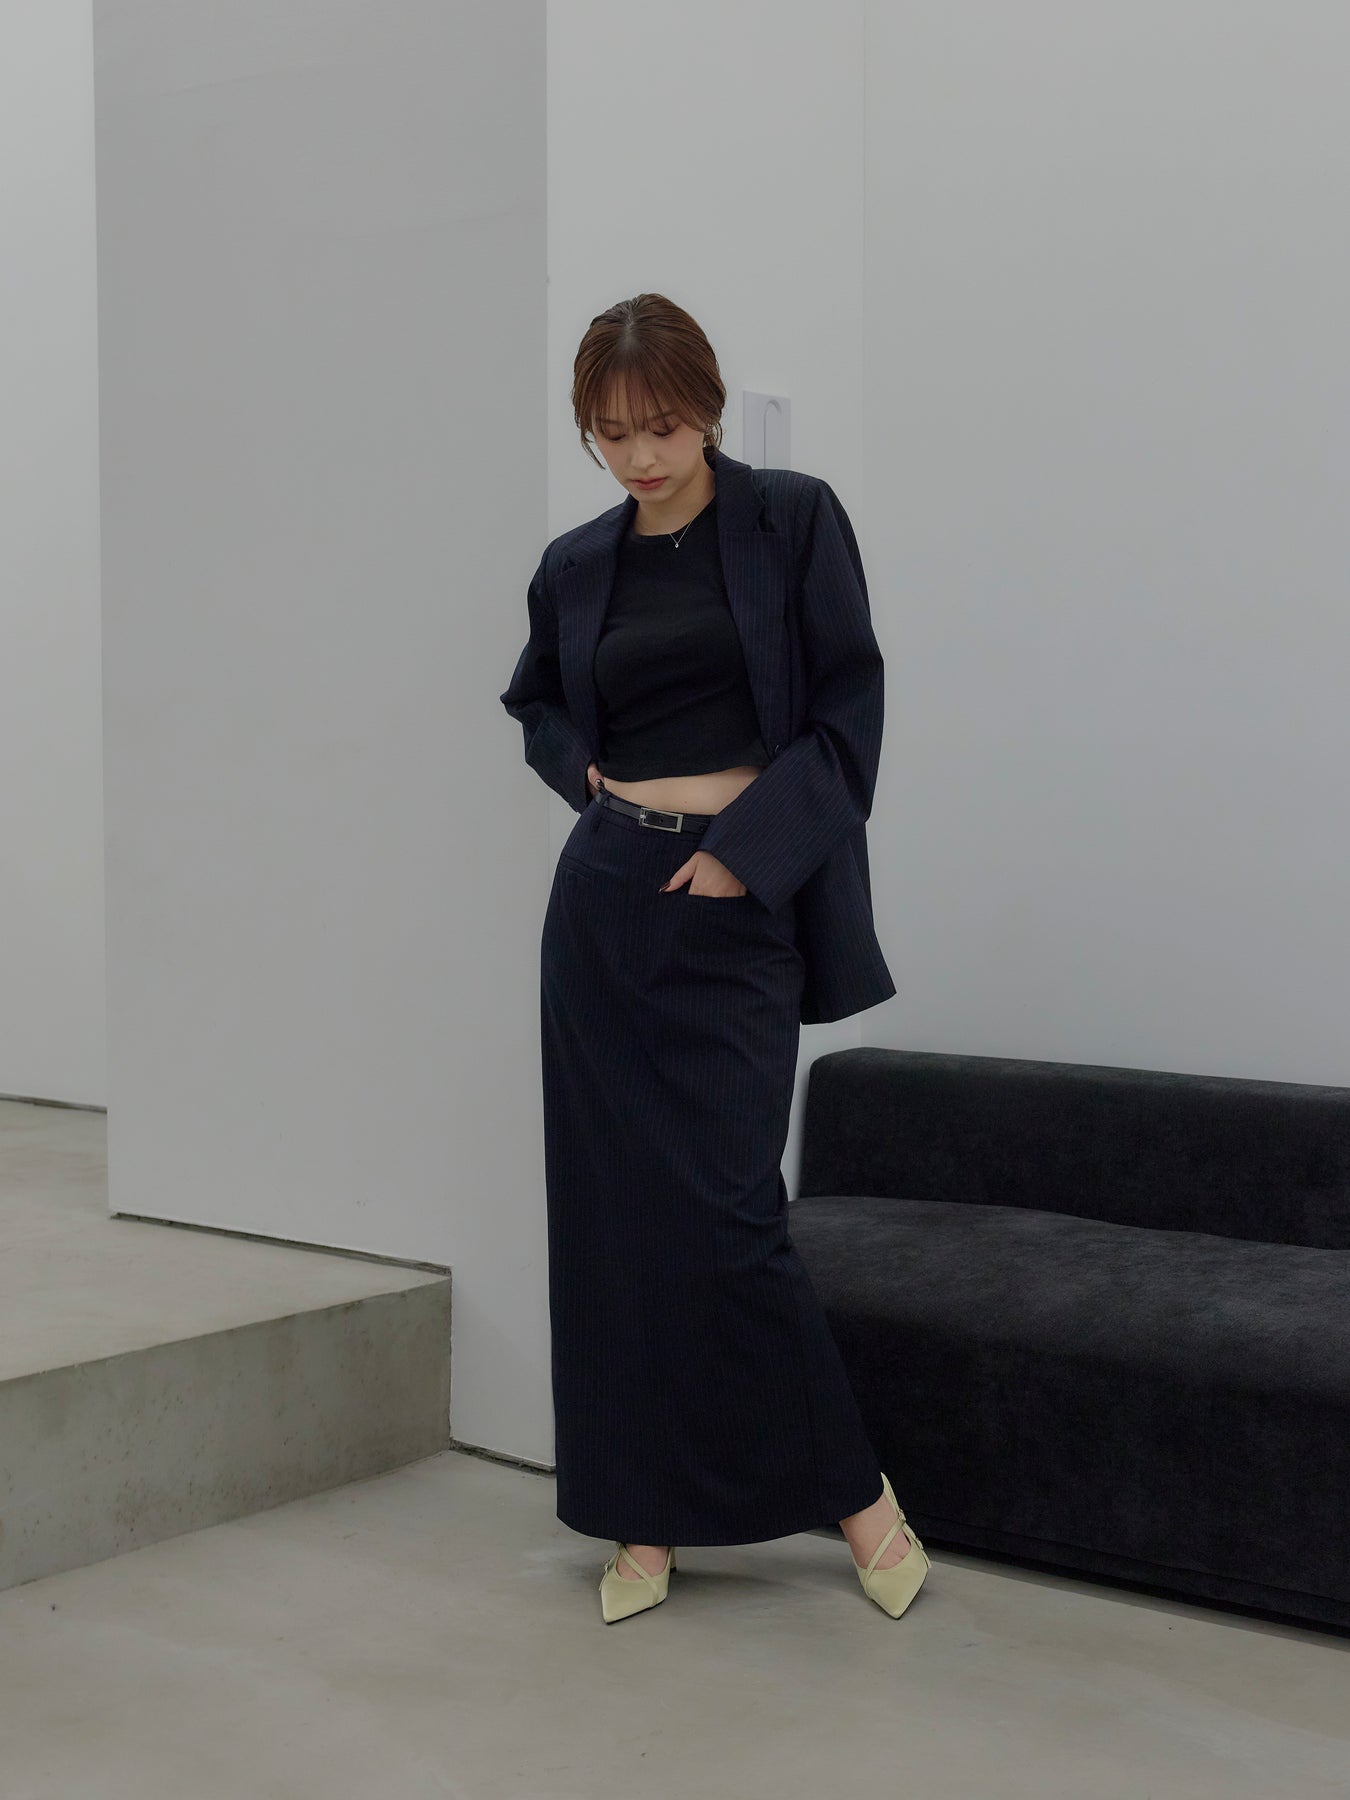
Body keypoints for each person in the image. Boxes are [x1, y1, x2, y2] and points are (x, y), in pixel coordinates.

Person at [500, 292, 929, 1624]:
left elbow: (848, 709)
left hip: (739, 900)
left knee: (731, 1218)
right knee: (612, 1224)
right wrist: (590, 787)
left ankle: (858, 1499)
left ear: (709, 407)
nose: (640, 456)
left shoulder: (789, 520)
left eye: (663, 427)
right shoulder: (577, 564)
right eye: (611, 432)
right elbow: (535, 699)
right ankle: (645, 1517)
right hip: (605, 903)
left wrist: (747, 853)